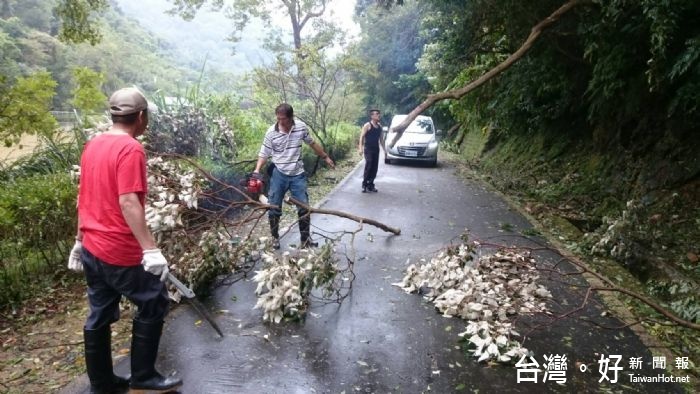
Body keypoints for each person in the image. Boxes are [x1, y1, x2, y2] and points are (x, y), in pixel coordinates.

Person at [67, 87, 182, 393]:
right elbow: (128, 201)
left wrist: (79, 238)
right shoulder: (130, 149)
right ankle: (143, 376)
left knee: (100, 312)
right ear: (141, 117)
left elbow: (84, 194)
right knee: (155, 301)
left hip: (92, 247)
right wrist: (151, 249)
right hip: (118, 249)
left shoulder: (93, 145)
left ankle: (102, 385)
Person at [253, 103, 335, 249]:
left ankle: (305, 240)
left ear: (291, 117)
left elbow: (312, 143)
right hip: (279, 173)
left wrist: (325, 157)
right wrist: (257, 170)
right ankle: (275, 238)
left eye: (283, 119)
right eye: (278, 118)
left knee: (304, 207)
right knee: (274, 207)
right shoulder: (271, 132)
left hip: (297, 174)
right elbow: (264, 154)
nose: (280, 122)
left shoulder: (301, 127)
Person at [358, 109, 383, 193]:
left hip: (376, 149)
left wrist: (386, 151)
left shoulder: (380, 127)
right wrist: (360, 148)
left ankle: (371, 184)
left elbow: (382, 140)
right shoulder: (367, 125)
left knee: (374, 167)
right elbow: (361, 137)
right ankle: (364, 184)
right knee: (369, 165)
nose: (378, 115)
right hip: (368, 149)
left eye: (379, 114)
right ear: (372, 116)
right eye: (376, 114)